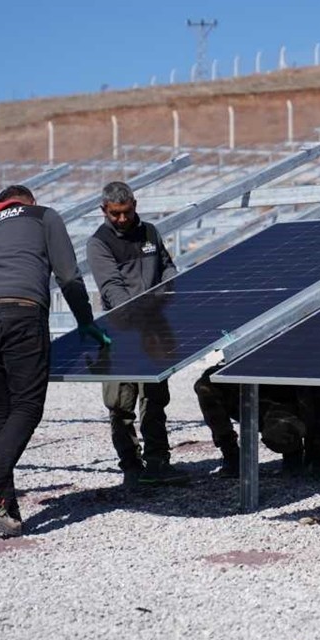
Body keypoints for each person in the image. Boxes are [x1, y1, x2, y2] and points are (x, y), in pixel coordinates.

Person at [0, 184, 111, 537]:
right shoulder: (43, 215)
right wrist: (85, 320)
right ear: (29, 202)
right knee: (27, 405)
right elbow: (67, 274)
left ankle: (6, 511)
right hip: (21, 311)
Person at [86, 181, 188, 489]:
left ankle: (158, 462)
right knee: (120, 403)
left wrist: (169, 286)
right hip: (122, 330)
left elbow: (168, 266)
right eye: (114, 214)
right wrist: (140, 311)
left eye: (126, 212)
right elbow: (112, 289)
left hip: (156, 326)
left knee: (155, 397)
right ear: (103, 210)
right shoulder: (99, 243)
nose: (121, 219)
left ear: (135, 205)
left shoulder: (151, 233)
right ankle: (131, 465)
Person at [193, 368, 320, 479]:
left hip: (288, 398)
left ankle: (294, 452)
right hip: (253, 382)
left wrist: (318, 456)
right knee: (206, 386)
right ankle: (232, 456)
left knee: (280, 432)